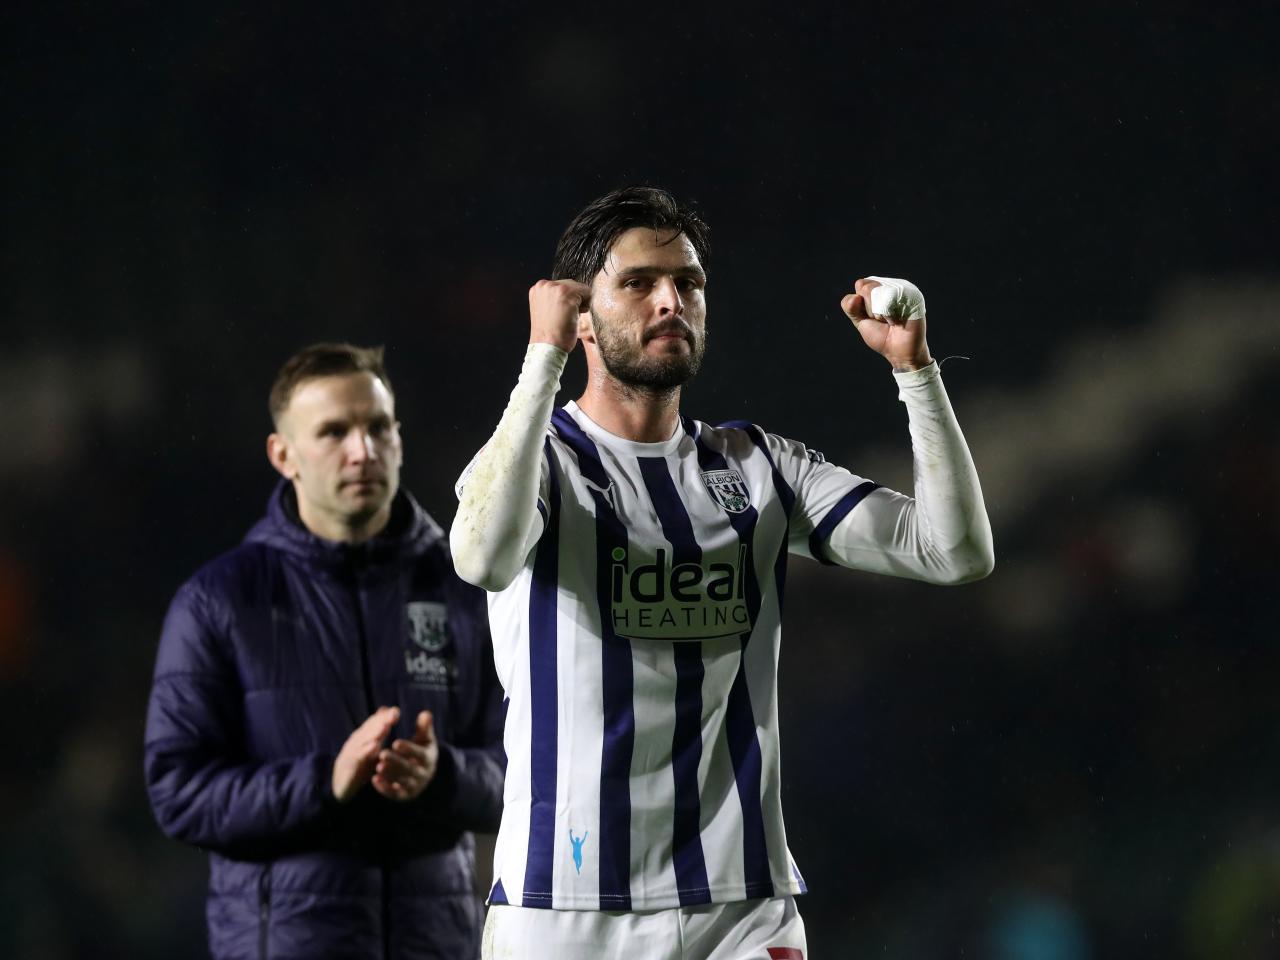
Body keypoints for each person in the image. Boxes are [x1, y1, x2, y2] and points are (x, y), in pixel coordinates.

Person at [450, 187, 995, 960]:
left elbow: (955, 551)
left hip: (740, 909)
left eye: (689, 282)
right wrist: (543, 361)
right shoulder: (540, 461)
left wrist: (916, 372)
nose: (671, 300)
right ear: (579, 313)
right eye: (639, 283)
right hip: (564, 908)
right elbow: (481, 556)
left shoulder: (760, 465)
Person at [145, 343, 505, 960]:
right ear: (282, 455)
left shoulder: (468, 590)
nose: (361, 450)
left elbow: (533, 774)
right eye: (334, 431)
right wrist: (324, 783)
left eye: (377, 427)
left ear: (399, 438)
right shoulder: (219, 602)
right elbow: (178, 791)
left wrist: (441, 775)